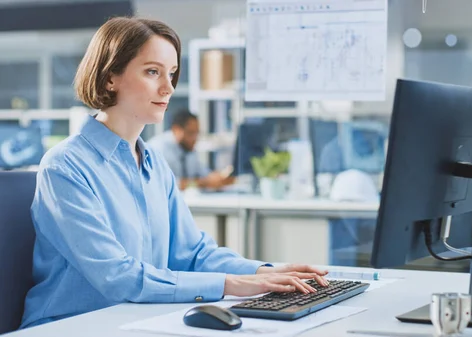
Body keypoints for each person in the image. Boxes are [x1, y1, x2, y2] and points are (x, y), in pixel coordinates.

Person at [20, 17, 328, 329]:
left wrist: (265, 272)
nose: (168, 87)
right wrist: (232, 284)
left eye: (172, 73)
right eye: (152, 72)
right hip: (70, 325)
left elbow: (192, 254)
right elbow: (117, 277)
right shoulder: (65, 166)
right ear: (111, 76)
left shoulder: (152, 161)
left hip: (137, 319)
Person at [148, 109, 233, 191]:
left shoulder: (188, 149)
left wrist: (220, 178)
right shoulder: (158, 149)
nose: (195, 139)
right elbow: (169, 184)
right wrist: (202, 183)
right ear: (176, 130)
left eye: (197, 133)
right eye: (191, 133)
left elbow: (205, 173)